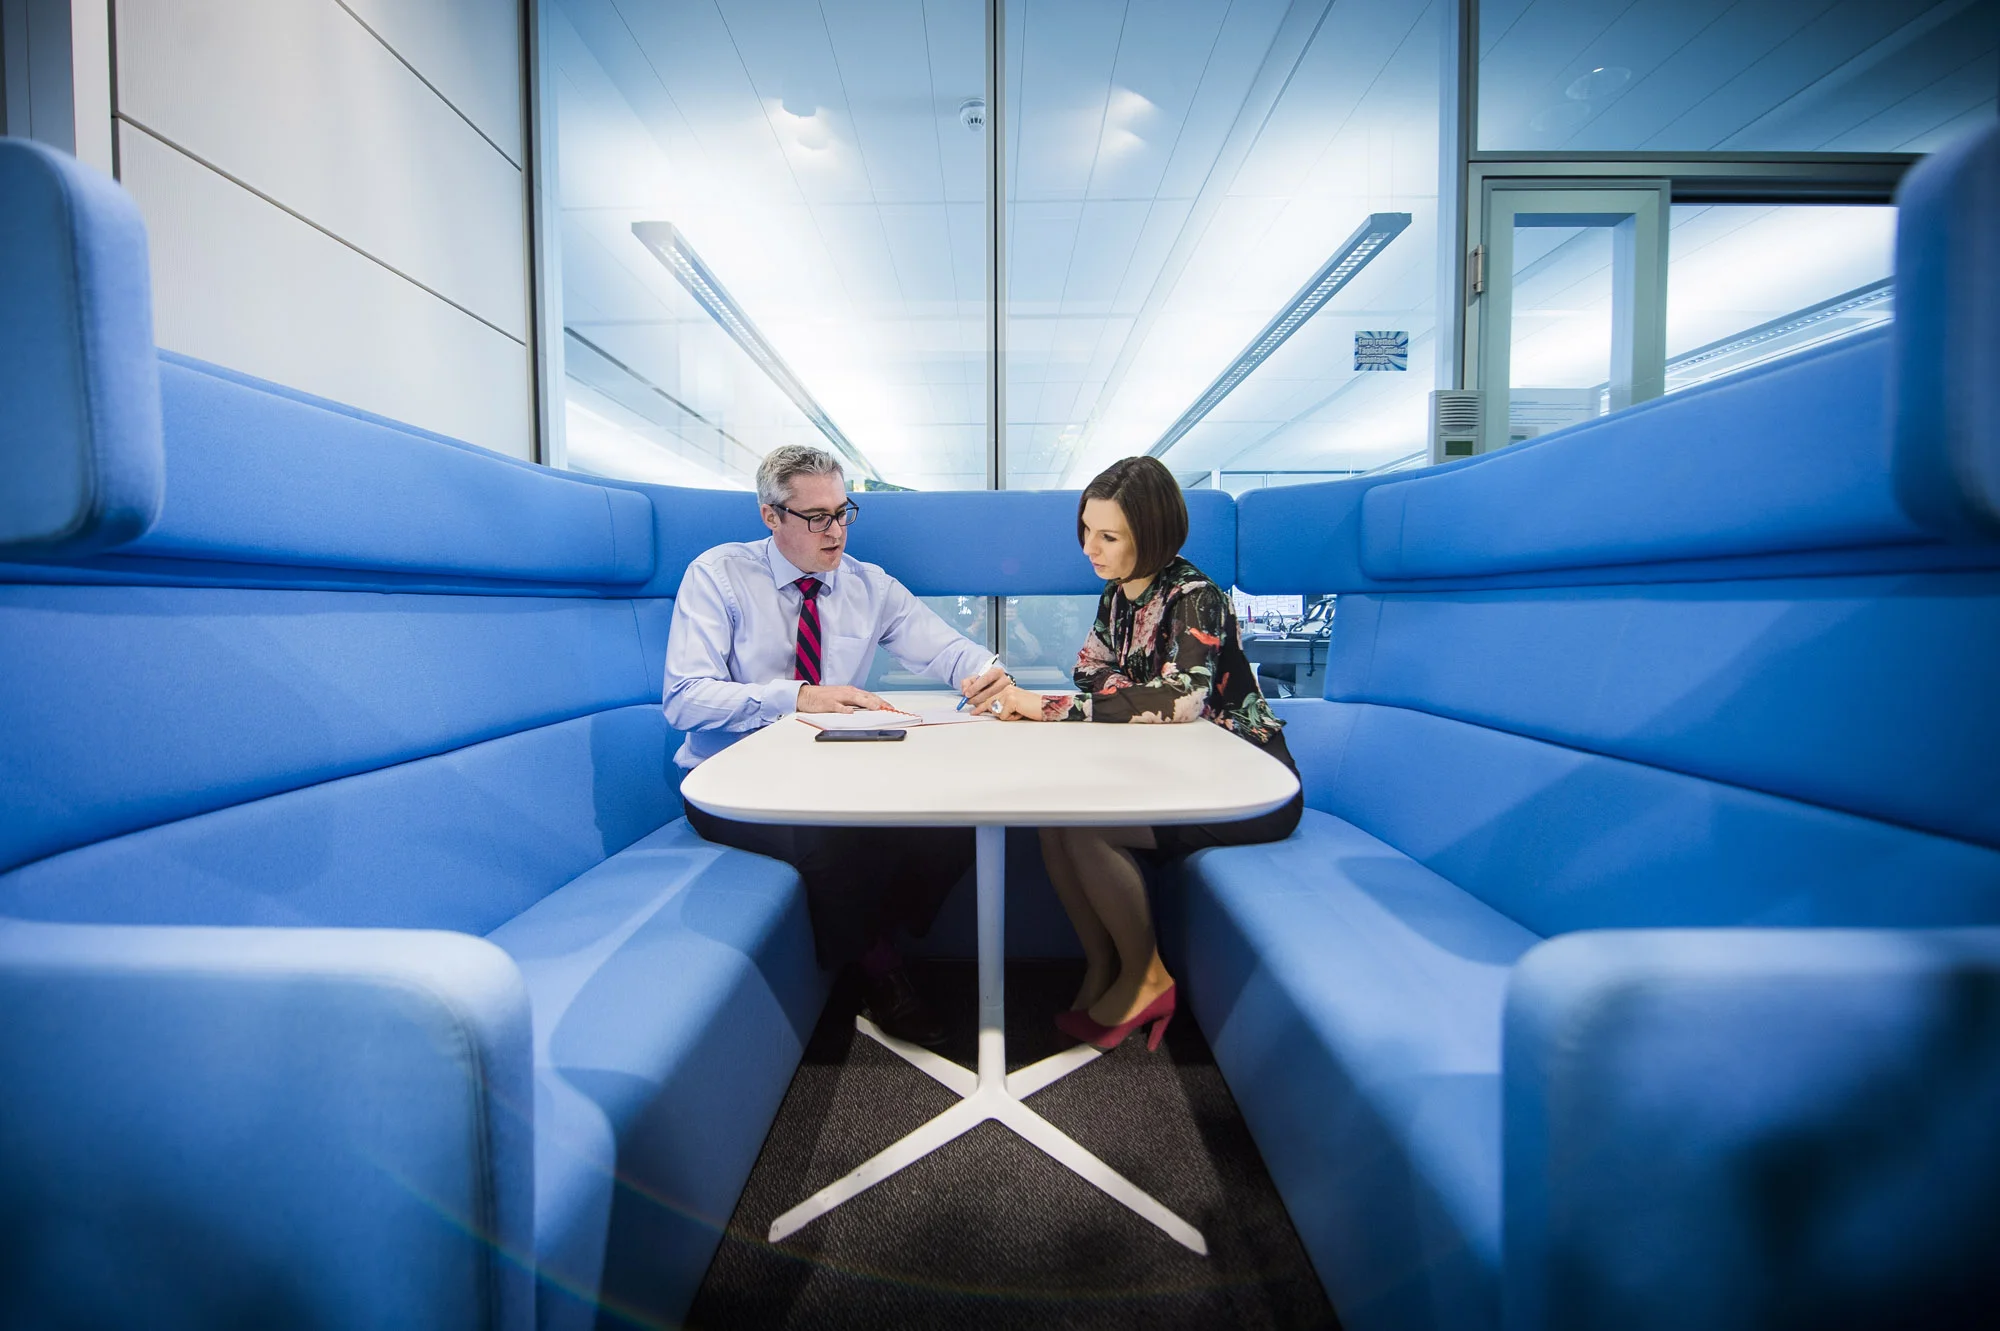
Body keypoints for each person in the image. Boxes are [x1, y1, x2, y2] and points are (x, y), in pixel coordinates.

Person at [664, 445, 1012, 1047]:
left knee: (958, 822)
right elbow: (684, 698)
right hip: (733, 786)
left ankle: (864, 931)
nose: (836, 531)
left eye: (843, 512)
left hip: (834, 775)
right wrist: (798, 697)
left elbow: (946, 649)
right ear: (771, 516)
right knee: (836, 843)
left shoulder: (867, 585)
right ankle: (880, 969)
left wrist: (989, 675)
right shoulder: (717, 576)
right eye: (817, 517)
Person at [977, 456, 1303, 1051]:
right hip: (1176, 777)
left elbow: (1181, 701)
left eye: (1108, 536)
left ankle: (1147, 977)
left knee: (1086, 831)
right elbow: (1087, 668)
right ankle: (1105, 966)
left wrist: (1050, 706)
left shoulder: (1195, 597)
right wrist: (1133, 694)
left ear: (1149, 534)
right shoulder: (1118, 594)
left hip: (1247, 789)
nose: (1089, 549)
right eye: (1086, 530)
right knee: (1054, 823)